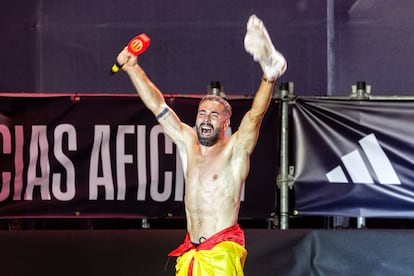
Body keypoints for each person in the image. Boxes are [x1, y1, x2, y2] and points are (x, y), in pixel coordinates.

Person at [116, 14, 286, 276]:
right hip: (191, 252)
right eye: (202, 113)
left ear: (227, 122)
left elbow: (254, 117)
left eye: (214, 115)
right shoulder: (189, 145)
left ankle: (271, 68)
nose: (206, 119)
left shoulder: (235, 151)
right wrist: (132, 68)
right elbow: (158, 106)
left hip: (220, 254)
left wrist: (269, 78)